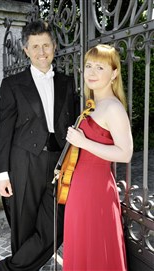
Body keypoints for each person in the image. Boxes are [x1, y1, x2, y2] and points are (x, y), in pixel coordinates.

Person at [0, 19, 78, 271]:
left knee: (56, 225)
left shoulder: (67, 82)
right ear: (26, 50)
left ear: (54, 46)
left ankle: (7, 269)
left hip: (59, 162)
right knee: (24, 225)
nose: (41, 52)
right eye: (35, 46)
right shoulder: (12, 84)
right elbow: (3, 129)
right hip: (24, 162)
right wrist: (1, 173)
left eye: (46, 45)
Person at [63, 44, 133, 271]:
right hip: (79, 188)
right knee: (81, 245)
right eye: (88, 66)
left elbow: (125, 153)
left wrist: (83, 142)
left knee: (96, 248)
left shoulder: (113, 108)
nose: (91, 72)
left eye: (100, 67)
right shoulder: (92, 106)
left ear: (114, 73)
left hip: (96, 191)